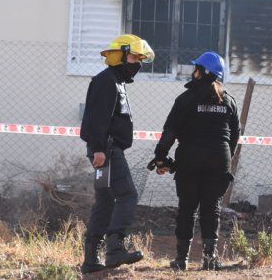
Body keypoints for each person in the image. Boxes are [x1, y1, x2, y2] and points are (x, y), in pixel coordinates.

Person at [152, 51, 240, 271]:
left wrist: (161, 156)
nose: (193, 73)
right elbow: (235, 136)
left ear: (203, 72)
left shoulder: (186, 99)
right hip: (219, 161)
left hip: (190, 159)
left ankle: (181, 260)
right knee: (212, 208)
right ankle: (210, 259)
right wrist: (224, 158)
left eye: (196, 69)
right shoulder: (229, 101)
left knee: (188, 208)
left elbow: (170, 130)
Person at [79, 34, 155, 274]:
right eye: (133, 57)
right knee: (128, 195)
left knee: (105, 203)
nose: (137, 64)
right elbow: (96, 119)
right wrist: (99, 149)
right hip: (108, 150)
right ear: (119, 56)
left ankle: (91, 260)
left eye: (140, 59)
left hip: (108, 149)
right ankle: (115, 248)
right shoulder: (106, 81)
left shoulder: (116, 81)